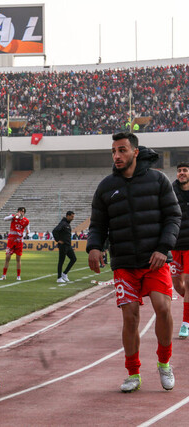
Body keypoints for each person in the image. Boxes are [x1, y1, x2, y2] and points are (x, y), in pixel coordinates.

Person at [87, 132, 180, 393]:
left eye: (122, 150)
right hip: (124, 263)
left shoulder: (158, 180)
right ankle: (133, 372)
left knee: (163, 308)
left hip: (155, 260)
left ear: (135, 152)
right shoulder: (106, 186)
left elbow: (174, 216)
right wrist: (94, 247)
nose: (117, 156)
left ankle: (164, 363)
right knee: (130, 316)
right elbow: (98, 224)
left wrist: (163, 248)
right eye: (114, 151)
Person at [171, 161, 189, 338]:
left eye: (185, 170)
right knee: (177, 284)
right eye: (179, 171)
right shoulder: (171, 191)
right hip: (175, 245)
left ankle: (185, 323)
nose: (181, 173)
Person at [0, 207, 30, 281]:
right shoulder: (13, 217)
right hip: (11, 240)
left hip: (19, 241)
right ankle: (4, 275)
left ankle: (18, 276)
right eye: (19, 211)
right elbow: (5, 219)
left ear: (24, 212)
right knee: (7, 258)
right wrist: (13, 216)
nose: (20, 212)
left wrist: (26, 233)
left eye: (22, 211)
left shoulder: (26, 221)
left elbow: (28, 230)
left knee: (18, 259)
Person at [53, 211, 77, 283]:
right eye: (72, 216)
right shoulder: (63, 223)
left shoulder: (67, 224)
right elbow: (54, 231)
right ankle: (59, 278)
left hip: (68, 245)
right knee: (61, 261)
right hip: (63, 245)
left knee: (73, 259)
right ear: (68, 216)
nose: (73, 218)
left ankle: (64, 273)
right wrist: (58, 240)